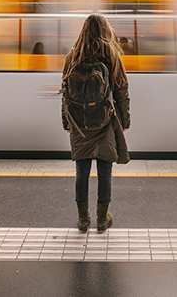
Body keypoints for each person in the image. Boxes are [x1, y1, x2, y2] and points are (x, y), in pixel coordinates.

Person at [61, 14, 130, 232]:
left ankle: (83, 219)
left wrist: (66, 121)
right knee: (104, 171)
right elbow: (121, 90)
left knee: (81, 172)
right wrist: (125, 120)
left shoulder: (72, 57)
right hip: (104, 122)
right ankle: (102, 218)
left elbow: (65, 93)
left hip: (79, 124)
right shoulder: (111, 55)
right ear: (105, 31)